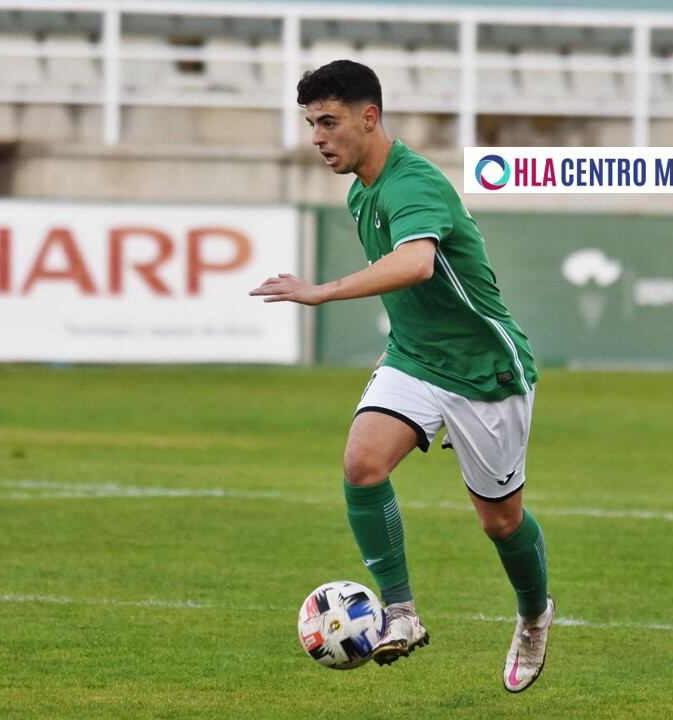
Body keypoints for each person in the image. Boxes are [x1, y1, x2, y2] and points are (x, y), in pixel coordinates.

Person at [250, 60, 552, 692]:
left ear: (370, 117)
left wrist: (322, 292)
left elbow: (416, 265)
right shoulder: (360, 189)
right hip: (415, 357)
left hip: (484, 370)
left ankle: (533, 614)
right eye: (311, 124)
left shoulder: (413, 183)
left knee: (500, 521)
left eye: (329, 121)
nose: (317, 137)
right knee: (362, 464)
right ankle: (402, 613)